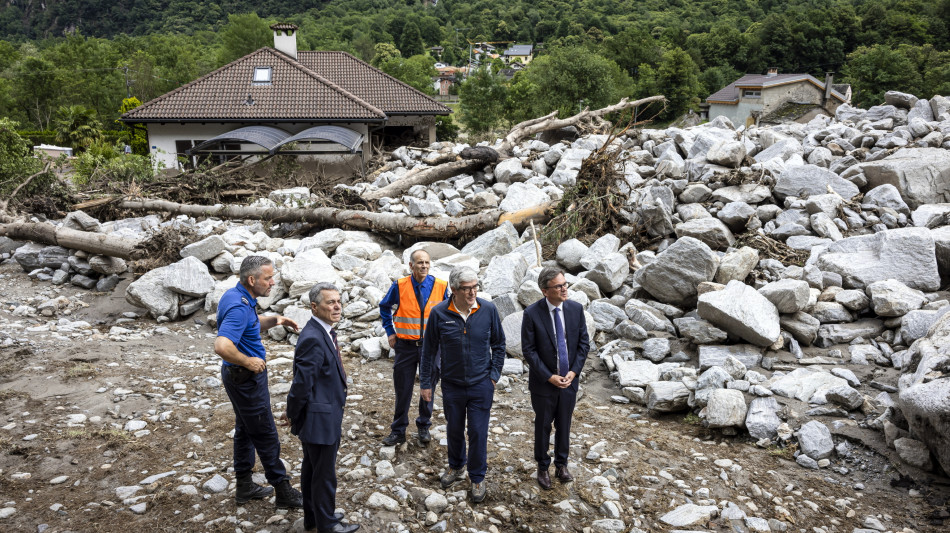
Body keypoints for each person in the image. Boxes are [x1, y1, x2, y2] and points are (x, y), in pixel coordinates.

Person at [214, 255, 303, 508]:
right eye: (268, 277)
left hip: (237, 377)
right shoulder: (240, 306)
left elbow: (248, 326)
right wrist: (248, 361)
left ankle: (244, 485)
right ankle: (283, 491)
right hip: (245, 379)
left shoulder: (237, 296)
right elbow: (222, 345)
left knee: (245, 429)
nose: (273, 282)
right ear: (252, 279)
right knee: (265, 433)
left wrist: (275, 320)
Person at [420, 267, 505, 503]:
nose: (472, 292)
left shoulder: (488, 309)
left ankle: (477, 476)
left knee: (478, 431)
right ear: (454, 290)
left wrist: (494, 375)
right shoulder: (439, 313)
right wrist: (426, 383)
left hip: (481, 385)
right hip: (452, 385)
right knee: (454, 429)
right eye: (467, 288)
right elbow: (428, 352)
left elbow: (499, 344)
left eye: (475, 287)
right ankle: (456, 466)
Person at [286, 283, 359, 533]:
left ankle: (314, 516)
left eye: (338, 301)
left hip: (323, 414)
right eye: (330, 302)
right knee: (324, 473)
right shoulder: (314, 338)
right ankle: (327, 525)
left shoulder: (323, 331)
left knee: (312, 468)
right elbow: (302, 384)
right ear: (314, 307)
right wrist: (292, 414)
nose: (337, 306)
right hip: (320, 418)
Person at [520, 266, 590, 490]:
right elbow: (529, 351)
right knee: (543, 425)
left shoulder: (575, 309)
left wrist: (573, 371)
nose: (564, 289)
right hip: (544, 383)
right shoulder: (531, 313)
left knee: (564, 424)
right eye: (558, 286)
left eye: (565, 284)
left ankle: (562, 464)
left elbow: (583, 344)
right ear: (544, 290)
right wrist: (549, 376)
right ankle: (542, 466)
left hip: (569, 381)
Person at [378, 249, 449, 446]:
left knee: (429, 387)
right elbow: (384, 307)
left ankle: (424, 425)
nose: (424, 266)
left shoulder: (441, 286)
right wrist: (390, 332)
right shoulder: (400, 285)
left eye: (426, 262)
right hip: (405, 346)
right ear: (411, 265)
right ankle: (399, 430)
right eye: (419, 263)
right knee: (403, 388)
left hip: (432, 347)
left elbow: (450, 313)